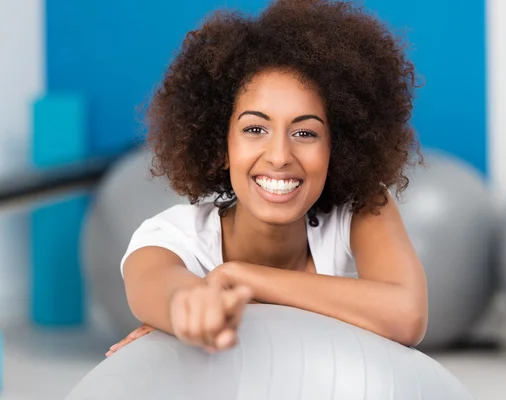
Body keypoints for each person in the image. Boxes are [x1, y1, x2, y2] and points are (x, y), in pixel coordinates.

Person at [106, 0, 427, 357]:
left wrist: (241, 278)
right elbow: (169, 292)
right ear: (220, 144)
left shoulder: (360, 210)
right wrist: (190, 309)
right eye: (255, 129)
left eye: (305, 133)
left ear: (337, 146)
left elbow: (407, 315)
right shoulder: (169, 238)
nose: (279, 156)